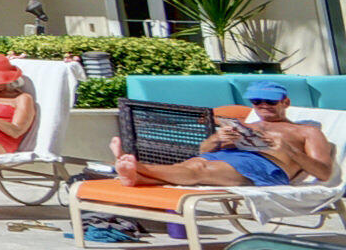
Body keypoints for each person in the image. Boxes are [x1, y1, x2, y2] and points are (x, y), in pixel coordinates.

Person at [114, 83, 337, 191]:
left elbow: (324, 173)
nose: (263, 106)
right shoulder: (245, 125)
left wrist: (289, 150)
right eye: (257, 102)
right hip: (226, 157)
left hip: (265, 168)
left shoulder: (307, 132)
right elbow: (203, 151)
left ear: (285, 103)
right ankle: (136, 176)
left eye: (270, 101)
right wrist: (217, 139)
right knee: (197, 162)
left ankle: (136, 166)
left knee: (199, 171)